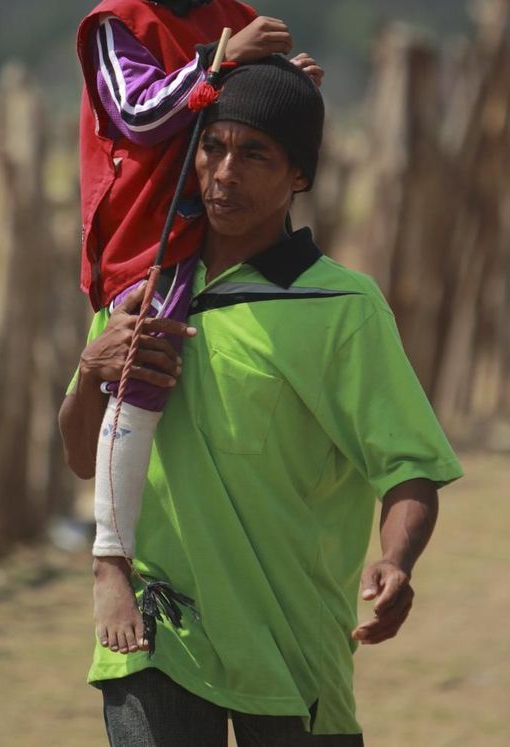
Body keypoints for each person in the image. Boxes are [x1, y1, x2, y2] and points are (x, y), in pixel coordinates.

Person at [59, 56, 463, 745]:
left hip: (290, 644)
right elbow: (79, 454)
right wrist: (90, 363)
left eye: (254, 154)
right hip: (159, 626)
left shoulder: (340, 305)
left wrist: (397, 561)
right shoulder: (144, 291)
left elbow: (408, 467)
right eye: (211, 147)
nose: (223, 173)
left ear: (299, 174)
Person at [77, 0, 323, 650]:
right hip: (152, 245)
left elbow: (249, 113)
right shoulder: (118, 22)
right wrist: (224, 64)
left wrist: (285, 87)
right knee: (143, 370)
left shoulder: (233, 18)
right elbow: (139, 114)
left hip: (233, 231)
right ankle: (111, 556)